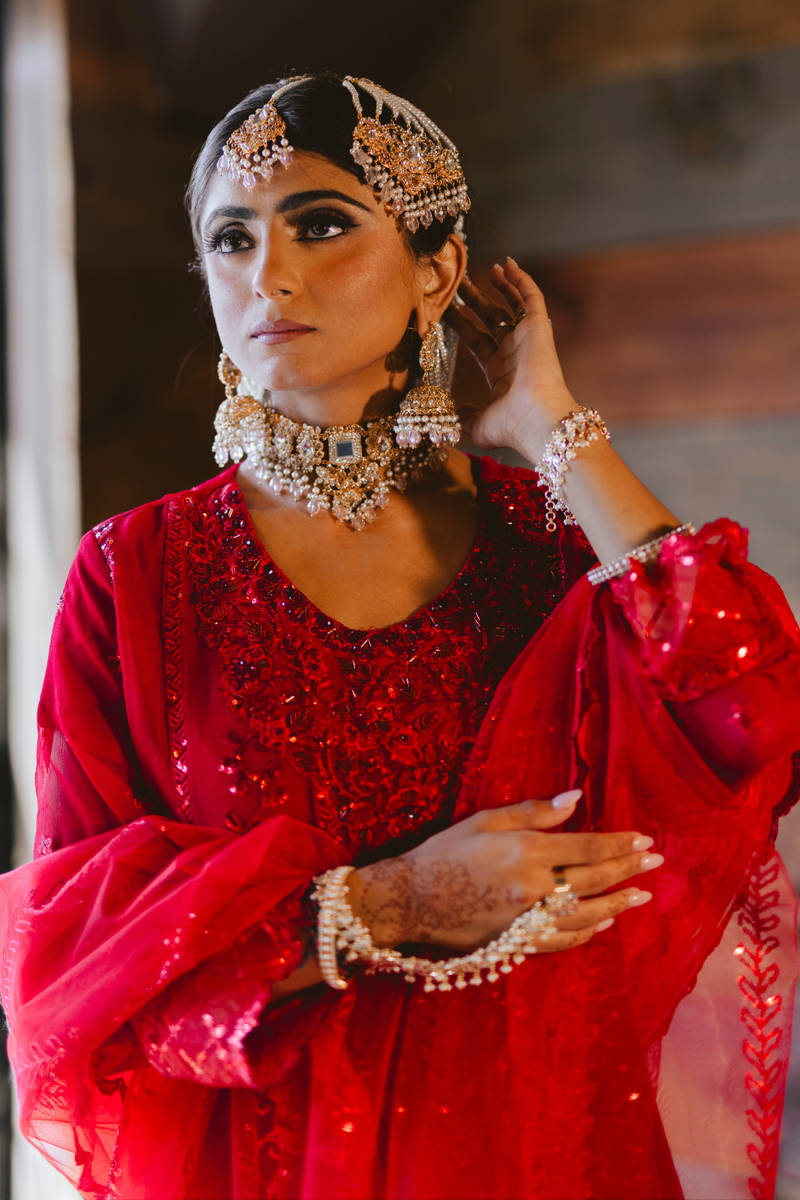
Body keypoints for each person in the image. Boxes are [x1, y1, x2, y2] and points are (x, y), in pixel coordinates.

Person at [1, 72, 799, 1200]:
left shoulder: (548, 547)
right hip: (255, 1165)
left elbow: (755, 717)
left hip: (529, 1149)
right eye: (230, 239)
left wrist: (551, 431)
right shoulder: (136, 573)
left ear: (437, 266)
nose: (268, 274)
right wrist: (390, 902)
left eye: (321, 224)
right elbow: (73, 960)